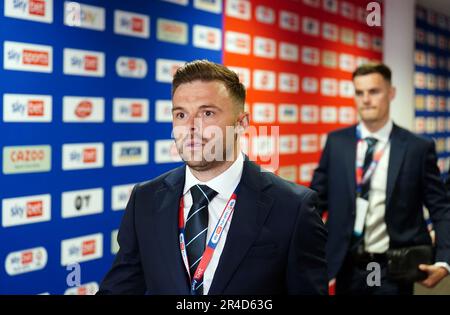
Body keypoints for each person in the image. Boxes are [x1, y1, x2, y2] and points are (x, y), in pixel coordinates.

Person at [98, 60, 328, 295]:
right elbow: (119, 289)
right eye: (181, 114)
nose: (191, 127)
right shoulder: (145, 199)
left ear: (241, 123)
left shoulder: (293, 207)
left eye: (207, 113)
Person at [310, 63, 450, 295]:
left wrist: (444, 261)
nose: (366, 99)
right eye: (359, 92)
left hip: (393, 268)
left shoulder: (417, 148)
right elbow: (315, 202)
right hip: (345, 265)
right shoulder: (337, 142)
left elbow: (441, 208)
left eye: (374, 91)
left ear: (391, 93)